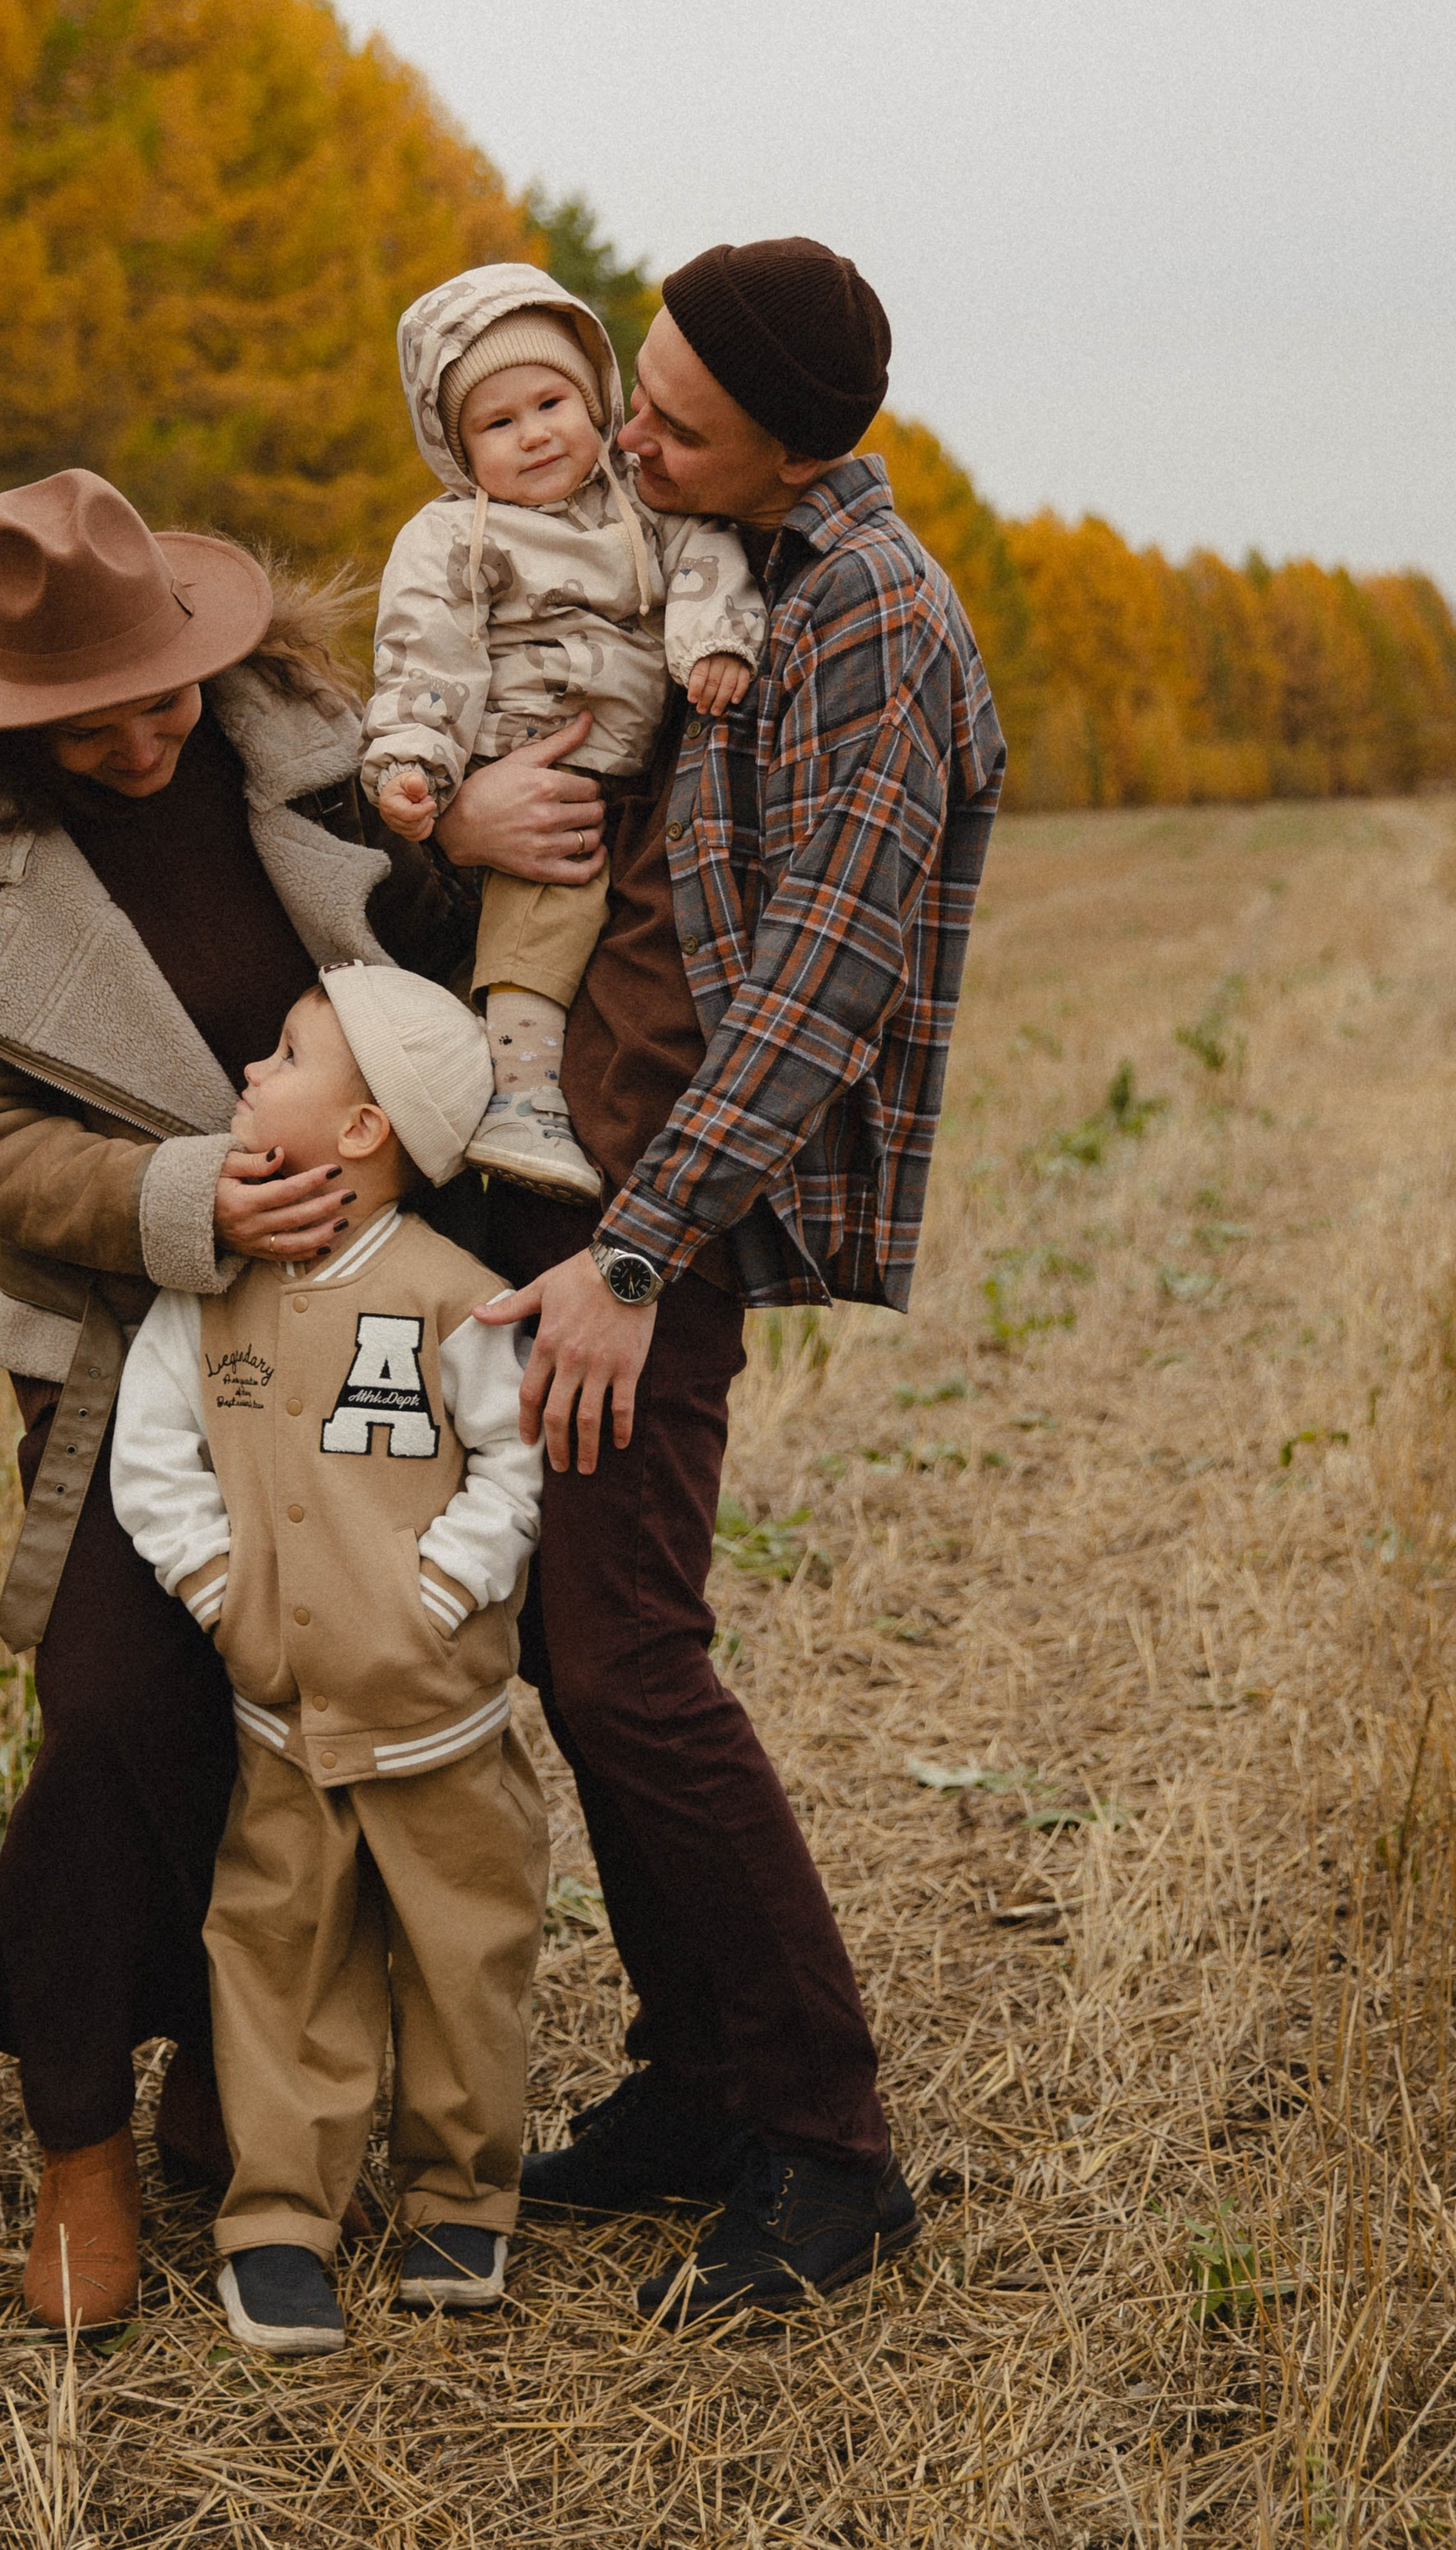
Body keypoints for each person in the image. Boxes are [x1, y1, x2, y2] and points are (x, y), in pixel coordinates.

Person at [0, 468, 600, 2331]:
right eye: (88, 716)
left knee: (319, 1694)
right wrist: (175, 1197)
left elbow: (440, 962)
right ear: (4, 715)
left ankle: (244, 2071)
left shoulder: (317, 747)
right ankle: (78, 2147)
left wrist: (481, 826)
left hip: (369, 1317)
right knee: (116, 1701)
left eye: (162, 690)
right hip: (132, 1338)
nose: (139, 735)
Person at [475, 236, 1007, 2324]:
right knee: (563, 1632)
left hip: (661, 1201)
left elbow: (815, 983)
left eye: (676, 420)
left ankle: (820, 2134)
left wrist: (629, 1247)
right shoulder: (717, 567)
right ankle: (695, 2079)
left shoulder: (874, 614)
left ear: (793, 444)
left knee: (625, 1655)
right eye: (643, 394)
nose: (629, 433)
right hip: (587, 1170)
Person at [113, 963, 546, 2357]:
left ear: (362, 1131)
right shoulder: (211, 1293)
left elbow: (513, 1463)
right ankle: (282, 2221)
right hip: (282, 1724)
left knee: (463, 1955)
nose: (249, 1070)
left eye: (284, 1054)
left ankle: (459, 2195)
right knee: (280, 1960)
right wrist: (222, 1585)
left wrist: (443, 1589)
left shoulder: (451, 1297)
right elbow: (152, 1458)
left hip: (440, 1722)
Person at [363, 265, 765, 1200]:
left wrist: (712, 639)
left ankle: (622, 1126)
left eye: (551, 402)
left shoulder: (640, 501)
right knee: (547, 905)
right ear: (459, 450)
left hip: (641, 769)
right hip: (527, 756)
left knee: (635, 949)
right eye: (497, 425)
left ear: (594, 398)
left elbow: (711, 550)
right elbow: (427, 654)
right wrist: (416, 761)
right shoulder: (455, 535)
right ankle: (521, 1094)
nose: (534, 433)